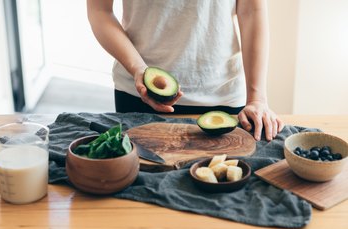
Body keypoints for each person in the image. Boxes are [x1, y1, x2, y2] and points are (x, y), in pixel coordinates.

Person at [87, 0, 284, 141]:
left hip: (223, 96)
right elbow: (100, 10)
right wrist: (139, 69)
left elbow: (251, 10)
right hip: (137, 92)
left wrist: (257, 99)